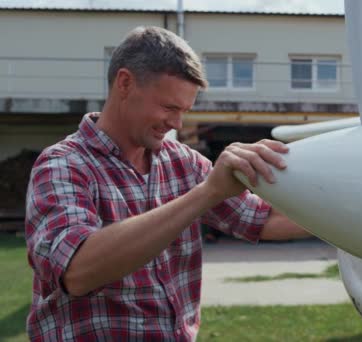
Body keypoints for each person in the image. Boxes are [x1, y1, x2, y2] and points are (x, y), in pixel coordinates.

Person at [25, 26, 309, 341]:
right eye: (169, 107)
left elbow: (263, 220)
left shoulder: (184, 163)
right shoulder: (63, 165)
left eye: (184, 111)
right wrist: (207, 193)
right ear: (125, 83)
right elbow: (76, 271)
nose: (177, 123)